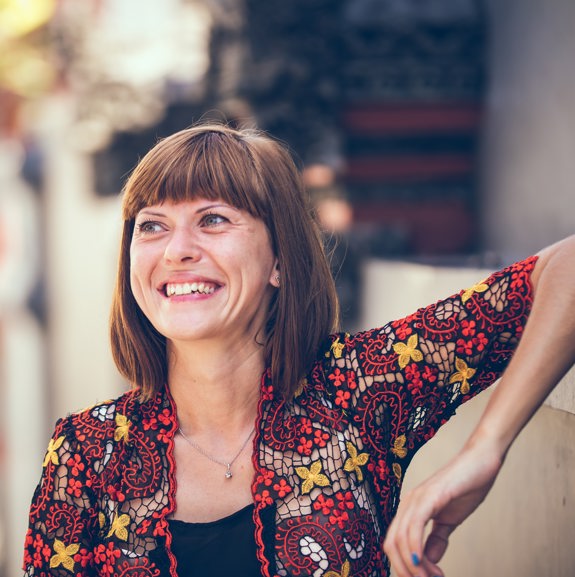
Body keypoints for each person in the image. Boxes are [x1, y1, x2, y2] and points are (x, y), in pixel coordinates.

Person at [23, 124, 575, 577]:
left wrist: (486, 448)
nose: (177, 251)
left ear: (279, 260)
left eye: (213, 219)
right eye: (152, 226)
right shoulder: (85, 455)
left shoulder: (360, 388)